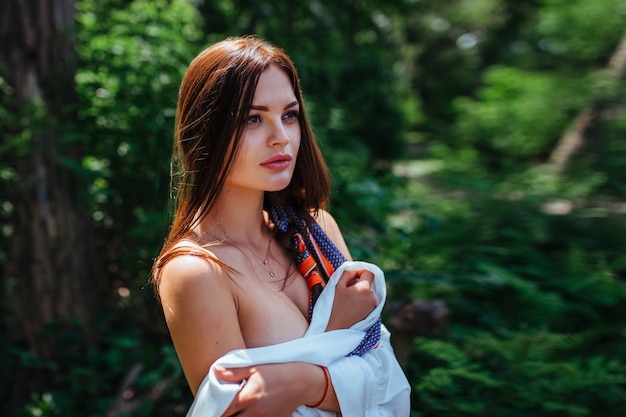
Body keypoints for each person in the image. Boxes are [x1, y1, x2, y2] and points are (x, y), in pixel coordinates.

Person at [152, 35, 410, 417]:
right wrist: (335, 332)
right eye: (253, 119)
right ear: (205, 132)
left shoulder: (317, 230)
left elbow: (387, 377)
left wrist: (307, 383)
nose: (282, 138)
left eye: (289, 114)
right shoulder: (198, 271)